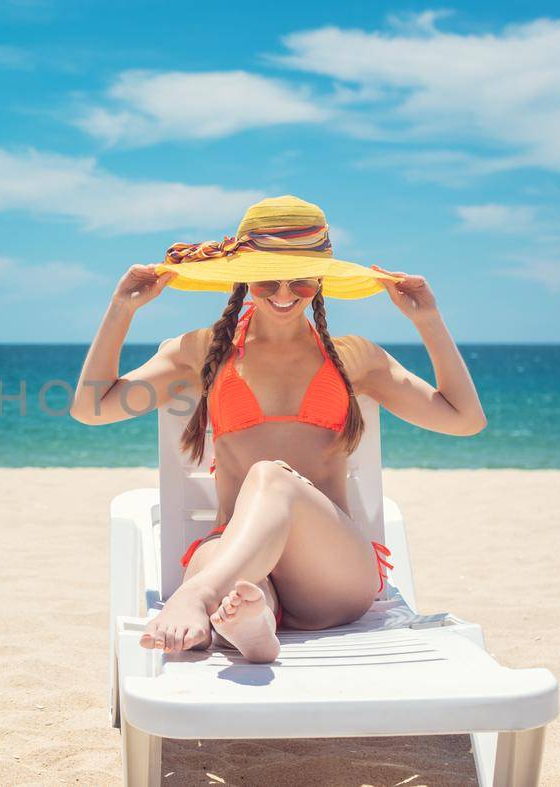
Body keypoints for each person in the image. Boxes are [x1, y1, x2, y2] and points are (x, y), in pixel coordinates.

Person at [70, 195, 486, 662]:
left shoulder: (354, 357)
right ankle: (254, 628)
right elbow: (93, 408)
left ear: (321, 280)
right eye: (267, 280)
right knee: (237, 585)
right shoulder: (203, 350)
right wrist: (121, 309)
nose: (284, 294)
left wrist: (428, 321)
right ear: (244, 276)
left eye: (302, 281)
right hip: (237, 556)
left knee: (269, 476)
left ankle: (199, 600)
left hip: (332, 573)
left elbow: (464, 420)